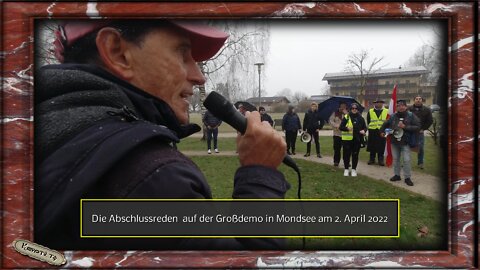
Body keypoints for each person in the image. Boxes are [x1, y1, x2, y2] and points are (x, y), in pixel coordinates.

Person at [35, 20, 289, 250]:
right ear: (117, 52)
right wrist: (260, 174)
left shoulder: (41, 125)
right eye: (182, 53)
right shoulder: (155, 178)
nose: (199, 77)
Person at [380, 100, 421, 186]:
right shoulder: (393, 116)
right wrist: (382, 131)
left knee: (406, 160)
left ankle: (407, 177)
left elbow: (418, 127)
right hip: (394, 141)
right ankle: (397, 175)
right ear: (397, 107)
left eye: (403, 105)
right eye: (398, 106)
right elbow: (385, 124)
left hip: (406, 142)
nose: (401, 107)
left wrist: (405, 127)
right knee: (396, 159)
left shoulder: (411, 115)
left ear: (406, 107)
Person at [339, 103, 367, 177]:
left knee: (355, 155)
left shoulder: (361, 118)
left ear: (357, 110)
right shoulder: (346, 117)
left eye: (355, 108)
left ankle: (354, 169)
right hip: (347, 140)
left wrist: (364, 131)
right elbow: (341, 127)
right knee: (346, 155)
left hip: (357, 140)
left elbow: (365, 127)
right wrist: (347, 128)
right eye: (352, 108)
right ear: (350, 109)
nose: (354, 110)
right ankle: (346, 169)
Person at [409, 95, 433, 169]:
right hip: (410, 131)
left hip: (420, 132)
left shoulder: (427, 109)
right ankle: (407, 162)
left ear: (422, 100)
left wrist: (423, 128)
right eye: (417, 99)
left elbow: (430, 121)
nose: (418, 100)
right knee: (407, 147)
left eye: (420, 99)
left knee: (420, 147)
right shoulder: (409, 109)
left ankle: (420, 163)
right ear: (414, 100)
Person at [366, 99, 388, 166]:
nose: (378, 104)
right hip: (372, 130)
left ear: (382, 103)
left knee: (381, 145)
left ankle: (380, 160)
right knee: (372, 145)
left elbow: (388, 121)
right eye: (377, 103)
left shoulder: (386, 111)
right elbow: (368, 120)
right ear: (374, 104)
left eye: (380, 103)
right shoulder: (370, 111)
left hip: (382, 131)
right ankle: (372, 159)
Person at [329, 101, 347, 166]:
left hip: (346, 135)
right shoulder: (335, 113)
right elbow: (330, 121)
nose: (343, 107)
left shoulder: (348, 114)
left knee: (346, 150)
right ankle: (336, 161)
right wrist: (336, 125)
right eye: (342, 106)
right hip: (337, 134)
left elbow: (351, 121)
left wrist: (346, 114)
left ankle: (346, 162)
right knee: (337, 149)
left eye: (344, 106)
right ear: (339, 106)